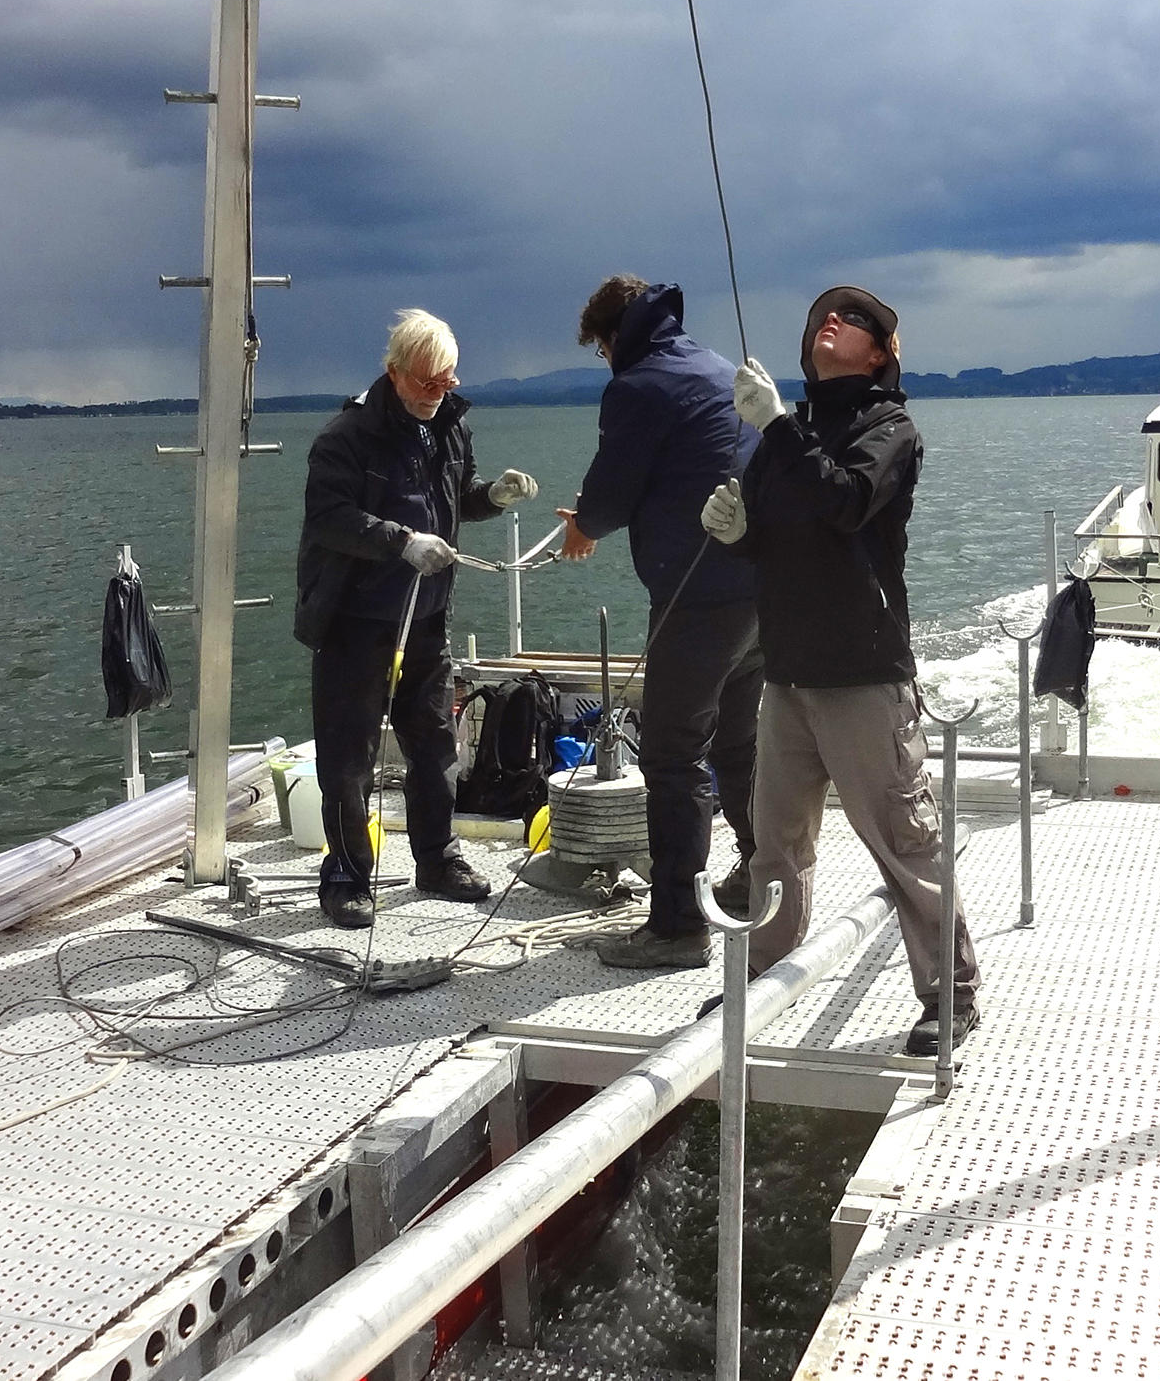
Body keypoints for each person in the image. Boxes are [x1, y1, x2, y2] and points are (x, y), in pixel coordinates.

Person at [697, 286, 980, 1054]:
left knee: (902, 842)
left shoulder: (889, 428)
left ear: (882, 355)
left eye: (857, 320)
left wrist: (778, 426)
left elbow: (845, 503)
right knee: (775, 845)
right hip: (787, 675)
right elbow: (773, 542)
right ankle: (761, 977)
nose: (834, 320)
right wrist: (733, 533)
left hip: (863, 674)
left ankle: (950, 997)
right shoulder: (787, 433)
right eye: (827, 313)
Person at [294, 308, 539, 929]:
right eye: (428, 381)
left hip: (425, 621)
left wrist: (494, 497)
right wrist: (402, 540)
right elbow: (329, 518)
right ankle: (347, 877)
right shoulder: (344, 438)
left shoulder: (450, 426)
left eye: (448, 380)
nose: (439, 392)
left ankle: (437, 858)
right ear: (395, 372)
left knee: (434, 747)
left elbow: (456, 500)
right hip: (355, 623)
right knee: (348, 760)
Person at [552, 275, 761, 970]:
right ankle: (760, 878)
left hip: (697, 602)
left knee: (673, 758)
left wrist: (582, 525)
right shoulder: (715, 366)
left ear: (611, 340)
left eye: (600, 349)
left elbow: (612, 494)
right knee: (739, 745)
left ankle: (676, 928)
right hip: (762, 592)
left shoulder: (636, 384)